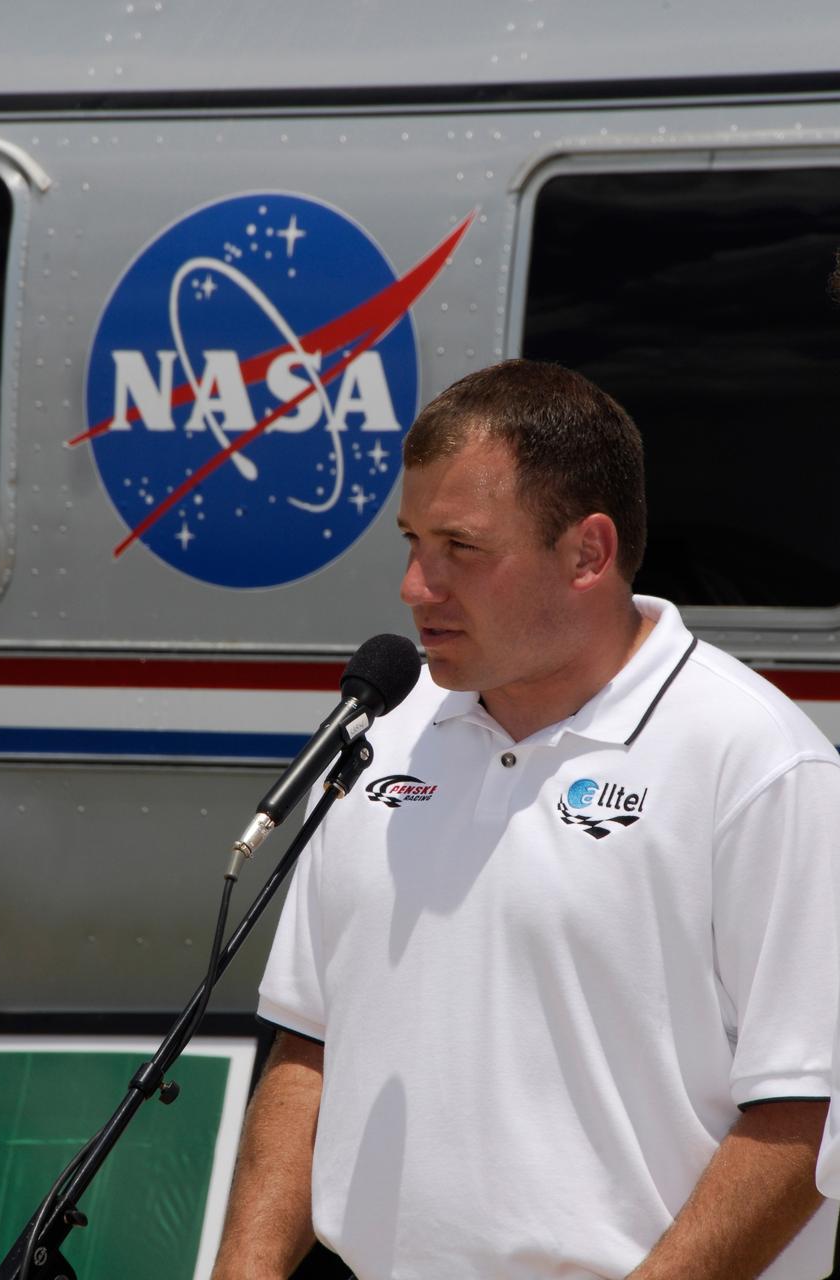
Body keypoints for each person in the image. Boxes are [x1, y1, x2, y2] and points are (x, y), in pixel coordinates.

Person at [212, 360, 840, 1280]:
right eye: (411, 541)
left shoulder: (762, 765)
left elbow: (808, 1113)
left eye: (460, 548)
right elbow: (310, 1042)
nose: (415, 588)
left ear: (588, 553)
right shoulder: (380, 737)